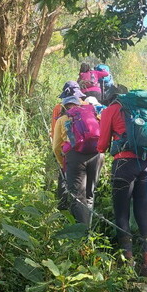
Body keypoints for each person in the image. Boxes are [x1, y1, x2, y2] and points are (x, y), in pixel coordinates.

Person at [97, 89, 147, 281]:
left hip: (123, 166)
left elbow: (102, 145)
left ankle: (128, 265)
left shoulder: (111, 110)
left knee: (122, 214)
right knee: (144, 213)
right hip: (146, 165)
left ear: (111, 98)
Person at [52, 93, 103, 227]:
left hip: (75, 157)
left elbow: (56, 146)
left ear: (65, 106)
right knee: (89, 194)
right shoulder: (92, 115)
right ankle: (89, 227)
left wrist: (61, 163)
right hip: (95, 155)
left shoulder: (62, 119)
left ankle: (82, 232)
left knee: (78, 196)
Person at [51, 81, 82, 211]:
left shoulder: (59, 109)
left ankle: (63, 210)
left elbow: (56, 140)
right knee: (84, 190)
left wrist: (60, 161)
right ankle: (85, 218)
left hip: (68, 152)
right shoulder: (86, 107)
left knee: (65, 181)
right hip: (90, 153)